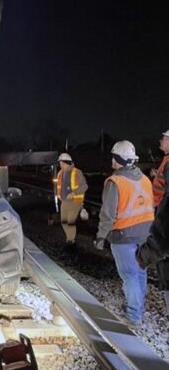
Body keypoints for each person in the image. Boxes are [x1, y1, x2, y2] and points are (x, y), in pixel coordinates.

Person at [96, 140, 153, 326]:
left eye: (113, 157)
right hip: (146, 235)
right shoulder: (145, 179)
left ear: (118, 159)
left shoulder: (115, 182)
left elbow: (108, 214)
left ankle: (133, 315)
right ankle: (138, 308)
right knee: (140, 274)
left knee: (129, 276)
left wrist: (101, 236)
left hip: (124, 236)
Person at [54, 153, 88, 247]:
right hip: (64, 201)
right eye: (60, 163)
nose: (60, 165)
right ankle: (69, 238)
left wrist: (74, 193)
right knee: (63, 221)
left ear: (67, 163)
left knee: (70, 222)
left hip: (75, 202)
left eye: (62, 163)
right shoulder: (60, 173)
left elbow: (84, 186)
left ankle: (70, 240)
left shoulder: (77, 172)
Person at [151, 129, 169, 206]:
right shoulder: (166, 158)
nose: (160, 141)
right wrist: (157, 174)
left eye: (163, 139)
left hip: (163, 206)